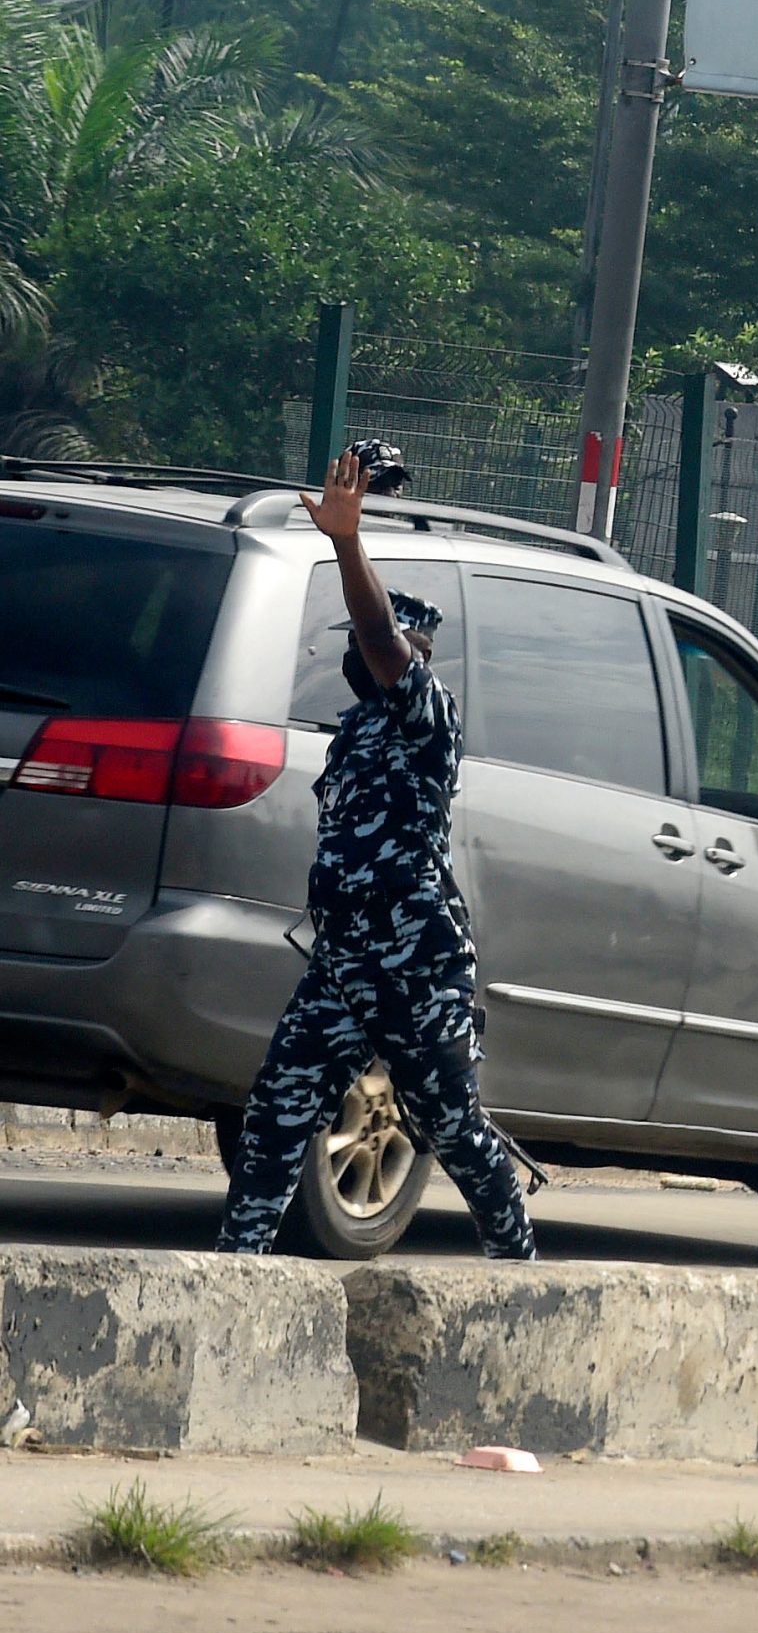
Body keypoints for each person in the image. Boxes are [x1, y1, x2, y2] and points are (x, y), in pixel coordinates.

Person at [217, 447, 535, 1259]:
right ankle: (234, 1274)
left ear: (409, 654)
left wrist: (347, 544)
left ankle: (522, 1271)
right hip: (346, 960)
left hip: (417, 964)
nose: (354, 657)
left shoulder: (427, 715)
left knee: (452, 1129)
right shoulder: (356, 732)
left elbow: (379, 635)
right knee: (276, 1116)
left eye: (370, 647)